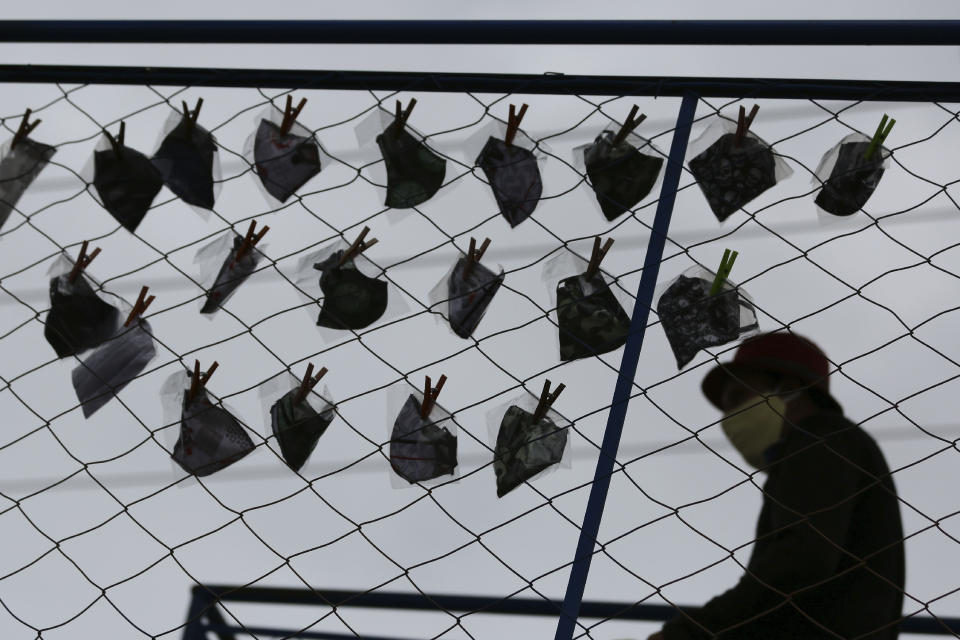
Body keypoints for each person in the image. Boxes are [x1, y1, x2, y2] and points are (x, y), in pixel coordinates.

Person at [649, 332, 905, 639]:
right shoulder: (825, 447)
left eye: (738, 398)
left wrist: (688, 632)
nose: (729, 418)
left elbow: (799, 561)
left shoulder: (820, 436)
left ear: (789, 389)